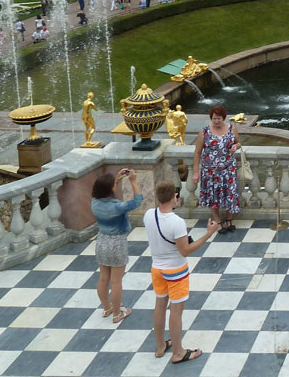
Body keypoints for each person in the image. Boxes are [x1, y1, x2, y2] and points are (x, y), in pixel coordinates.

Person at [144, 182, 219, 363]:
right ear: (173, 198)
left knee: (160, 306)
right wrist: (208, 234)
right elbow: (185, 250)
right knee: (176, 311)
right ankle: (178, 352)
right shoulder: (176, 222)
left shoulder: (149, 215)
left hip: (157, 268)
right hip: (176, 271)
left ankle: (161, 346)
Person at [90, 168, 142, 323]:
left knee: (103, 278)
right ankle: (118, 314)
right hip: (117, 243)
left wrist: (117, 180)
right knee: (116, 281)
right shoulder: (117, 206)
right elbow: (138, 200)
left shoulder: (94, 203)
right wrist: (132, 181)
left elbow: (106, 192)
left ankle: (107, 308)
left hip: (101, 242)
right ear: (109, 190)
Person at [191, 105, 241, 233]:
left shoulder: (231, 128)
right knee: (213, 197)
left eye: (219, 118)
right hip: (210, 172)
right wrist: (196, 172)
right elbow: (197, 153)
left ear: (223, 118)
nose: (217, 121)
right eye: (214, 118)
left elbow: (239, 142)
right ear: (211, 118)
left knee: (230, 194)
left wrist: (236, 146)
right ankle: (218, 221)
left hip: (228, 169)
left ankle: (229, 219)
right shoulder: (204, 132)